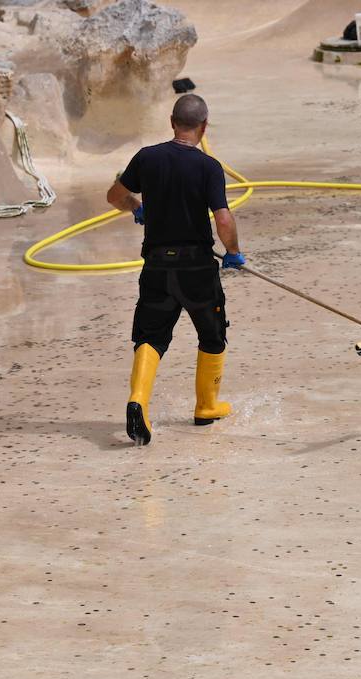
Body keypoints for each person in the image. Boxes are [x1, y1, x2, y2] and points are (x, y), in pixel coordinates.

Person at [106, 93, 247, 446]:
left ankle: (138, 401)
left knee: (150, 337)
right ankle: (206, 407)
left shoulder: (147, 158)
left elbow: (114, 195)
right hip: (196, 266)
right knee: (212, 334)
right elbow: (223, 218)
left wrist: (135, 206)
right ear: (203, 126)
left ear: (172, 121)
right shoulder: (208, 167)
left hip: (156, 265)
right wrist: (233, 253)